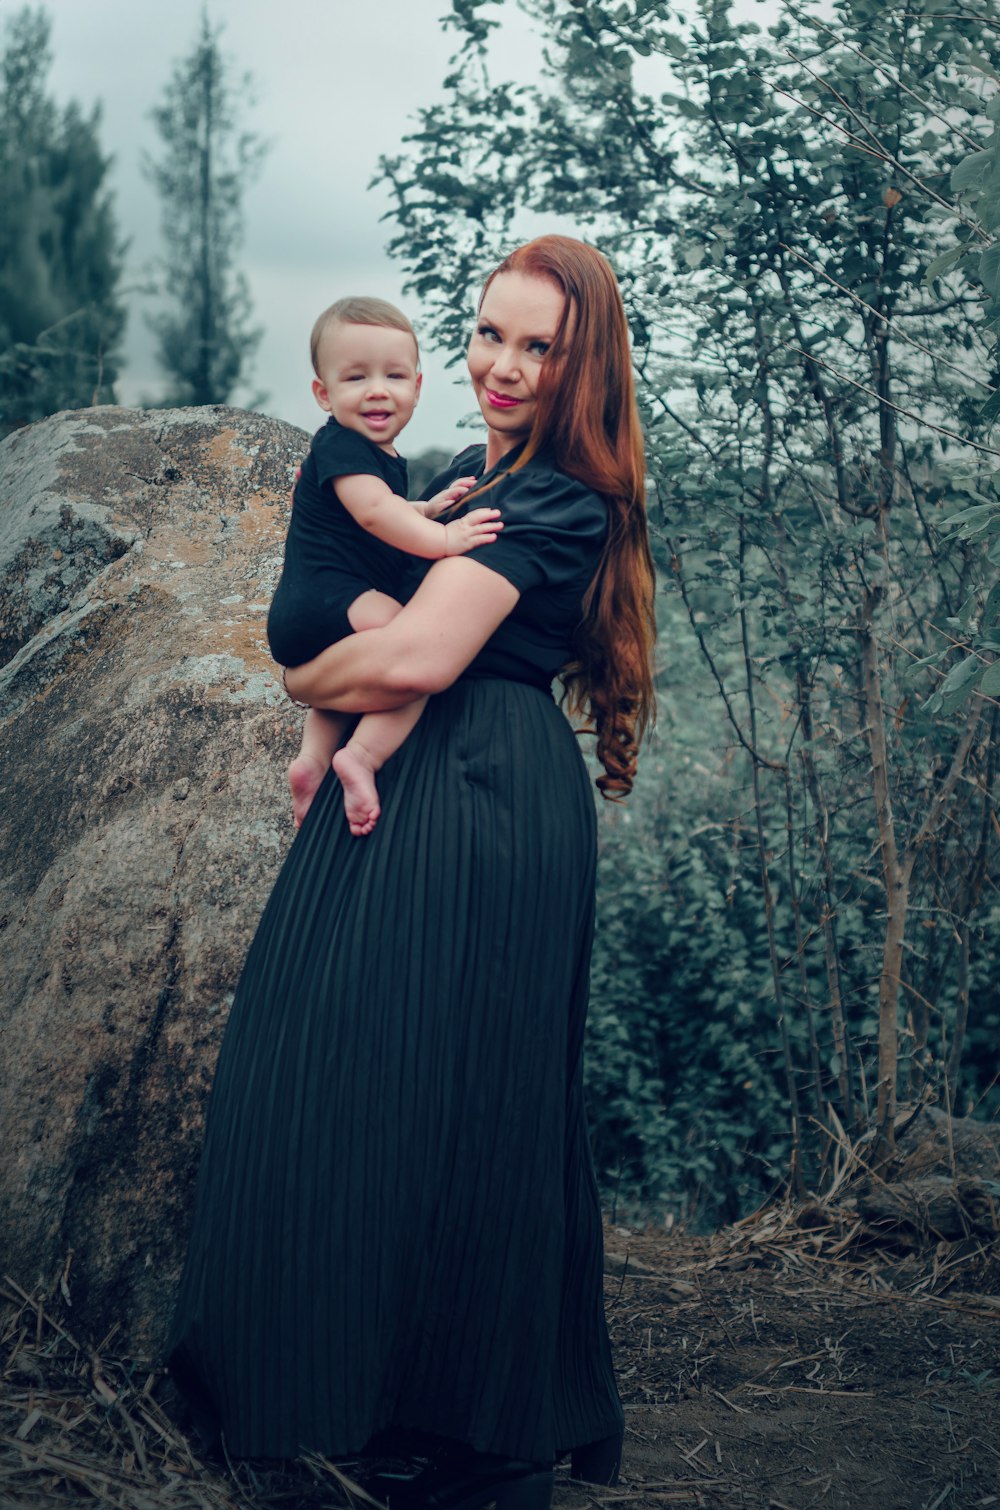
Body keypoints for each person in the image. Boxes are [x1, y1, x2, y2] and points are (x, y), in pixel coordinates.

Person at [167, 235, 657, 1510]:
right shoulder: (452, 478)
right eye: (487, 333)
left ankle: (478, 1438)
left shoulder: (557, 498)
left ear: (580, 363)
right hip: (414, 786)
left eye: (536, 346)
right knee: (321, 1064)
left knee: (479, 1103)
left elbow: (403, 664)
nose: (500, 365)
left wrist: (295, 674)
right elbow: (360, 622)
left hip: (489, 796)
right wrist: (328, 667)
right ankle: (356, 1393)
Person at [267, 295, 500, 833]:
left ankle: (312, 765)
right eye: (355, 378)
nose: (377, 390)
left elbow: (381, 510)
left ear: (417, 387)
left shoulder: (376, 458)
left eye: (394, 375)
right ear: (324, 394)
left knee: (351, 680)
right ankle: (363, 757)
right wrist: (444, 538)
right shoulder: (341, 446)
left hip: (321, 614)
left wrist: (425, 509)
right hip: (328, 599)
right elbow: (374, 516)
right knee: (413, 653)